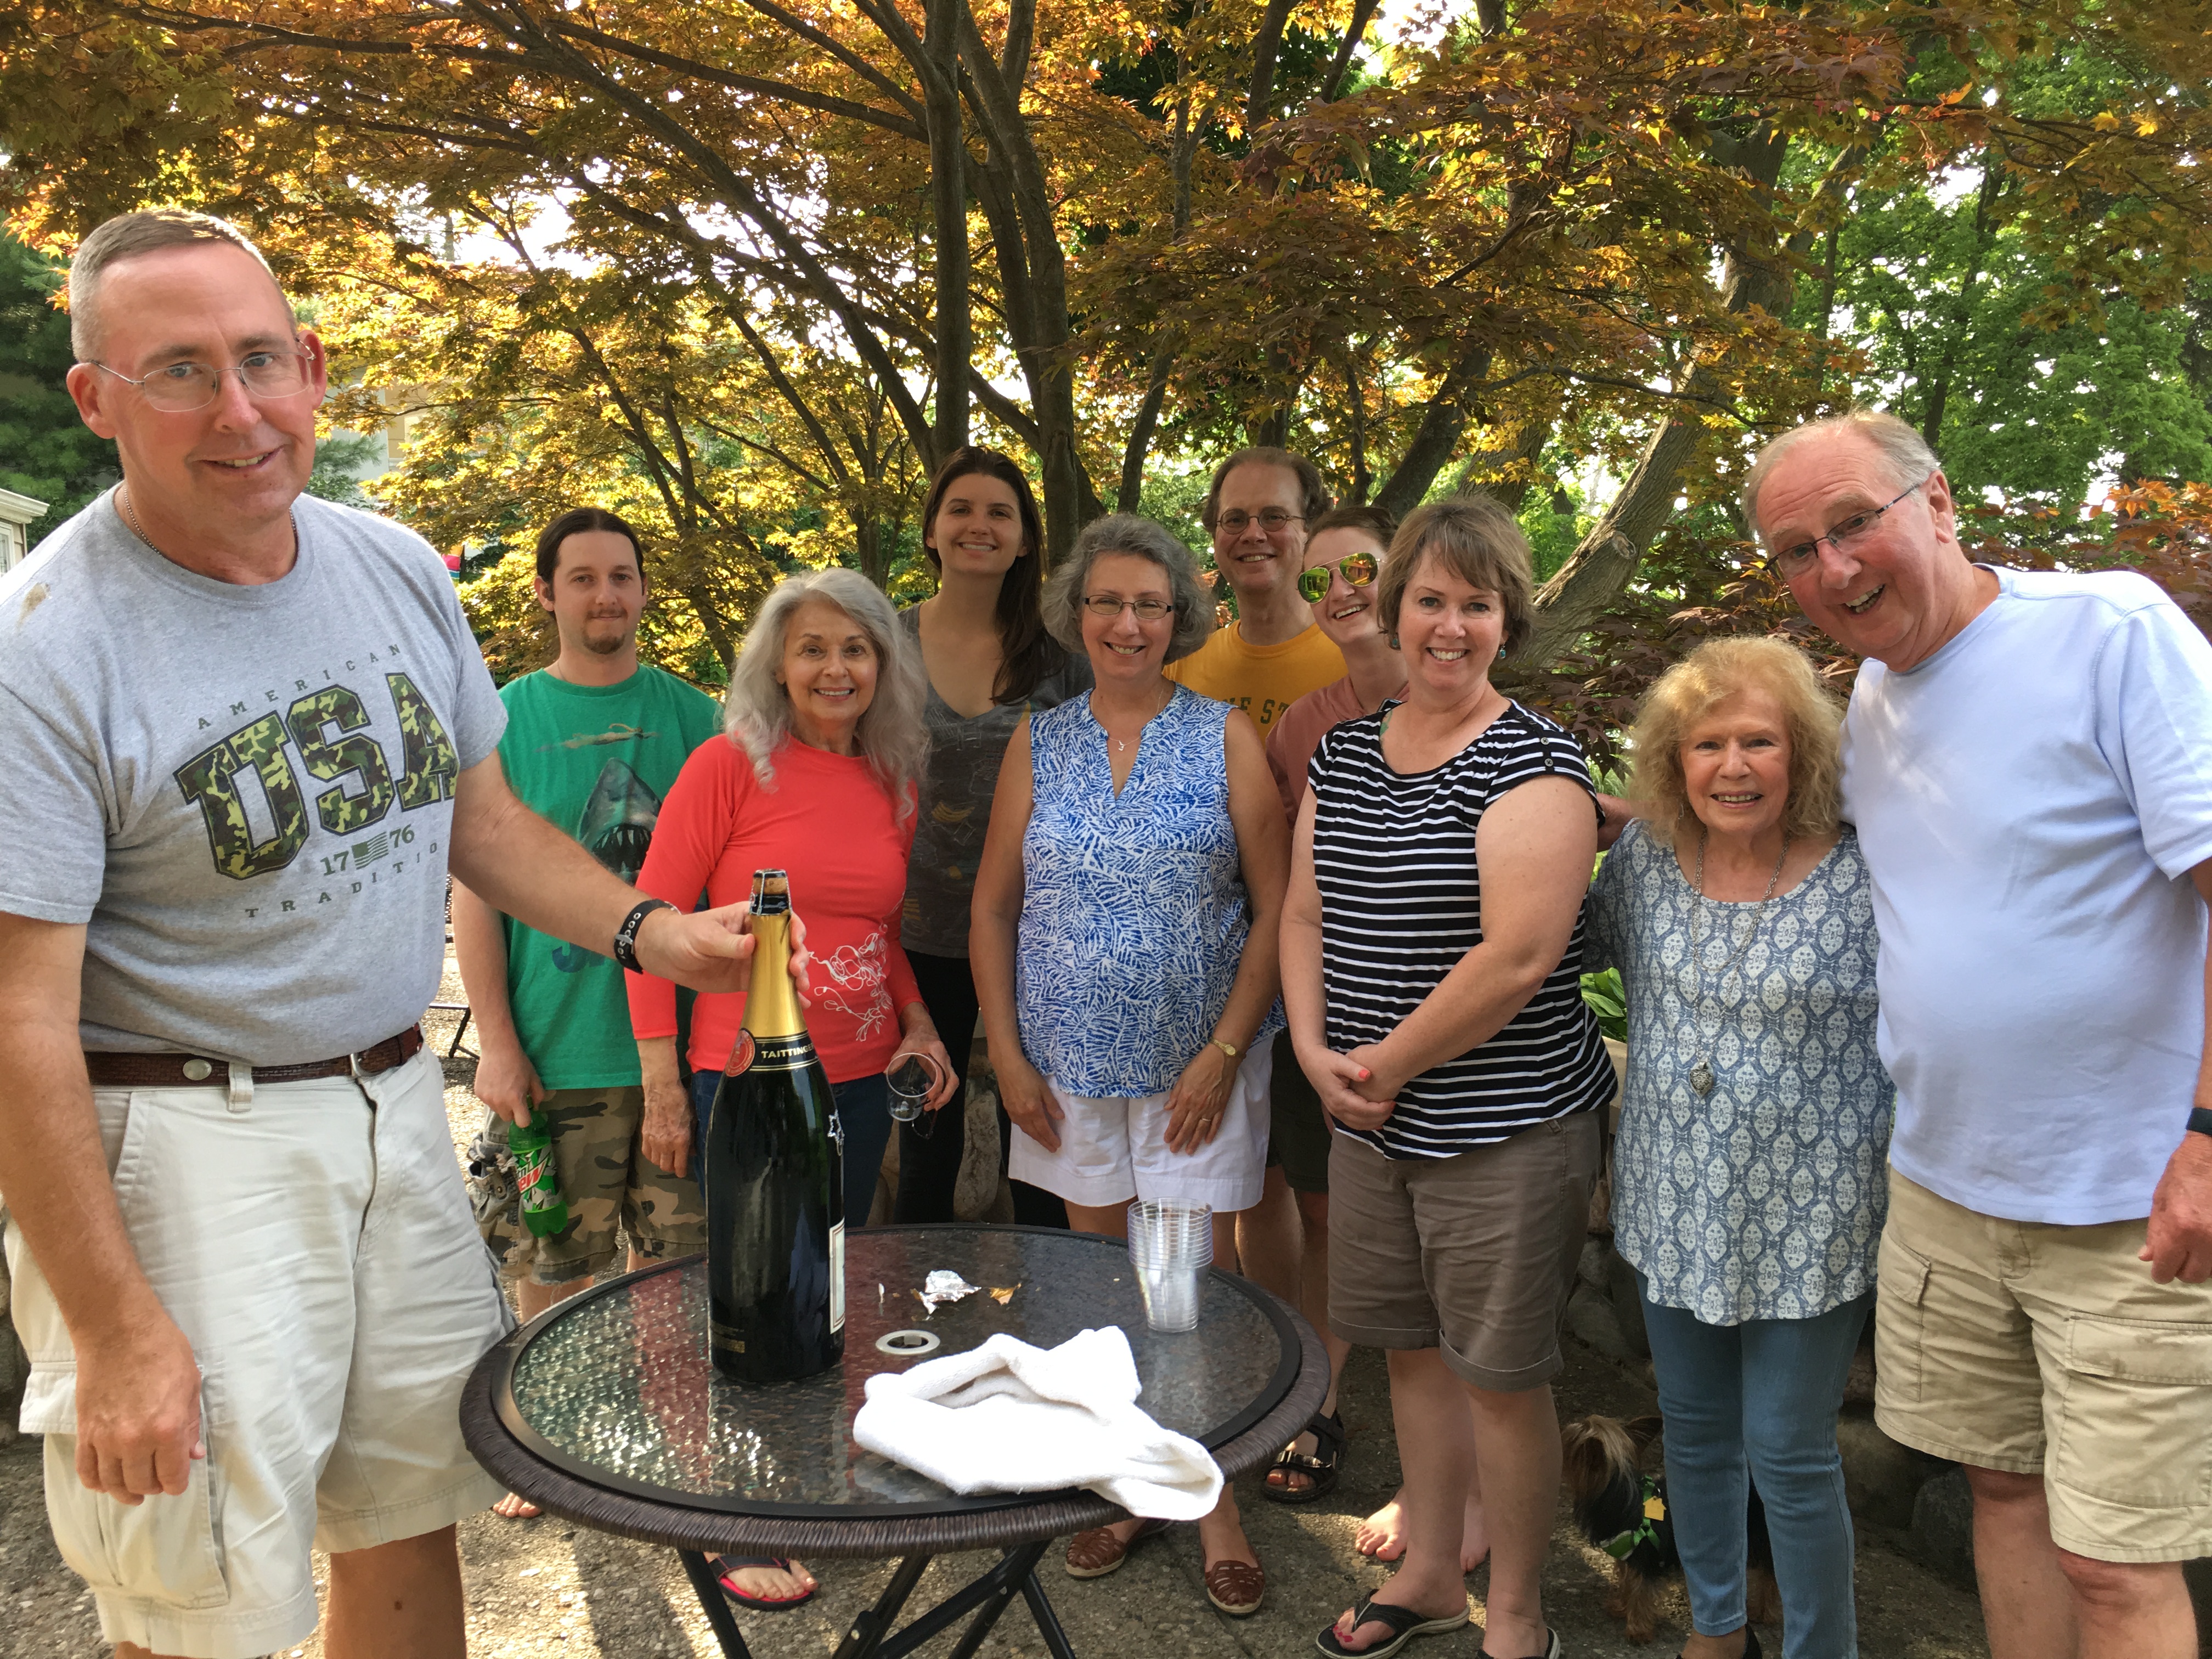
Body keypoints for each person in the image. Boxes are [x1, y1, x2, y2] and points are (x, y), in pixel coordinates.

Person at [0, 208, 790, 1659]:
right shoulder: (43, 649)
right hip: (183, 1146)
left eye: (259, 359)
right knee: (200, 1597)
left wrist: (652, 933)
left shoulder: (393, 569)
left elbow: (479, 823)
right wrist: (111, 1330)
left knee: (407, 1515)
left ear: (311, 366)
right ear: (95, 398)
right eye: (178, 372)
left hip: (393, 1109)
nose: (238, 411)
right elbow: (16, 1021)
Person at [1745, 408, 2212, 1659]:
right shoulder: (1874, 702)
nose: (1834, 566)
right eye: (1797, 550)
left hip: (2129, 1201)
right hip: (1948, 1191)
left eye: (1855, 522)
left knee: (2116, 1564)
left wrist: (2209, 1139)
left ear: (1939, 502)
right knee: (2002, 1496)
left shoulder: (2108, 632)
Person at [1282, 496, 1615, 1659]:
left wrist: (1377, 1065)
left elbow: (1517, 959)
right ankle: (1428, 1573)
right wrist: (1314, 1049)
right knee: (1411, 1356)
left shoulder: (1538, 764)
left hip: (1502, 1129)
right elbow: (1305, 910)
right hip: (1369, 1121)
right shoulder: (1342, 752)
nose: (1450, 625)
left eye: (1477, 604)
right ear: (1396, 608)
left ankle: (1517, 1614)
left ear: (1506, 619)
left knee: (1500, 1380)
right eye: (1430, 599)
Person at [969, 512, 1289, 1617]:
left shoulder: (1223, 734)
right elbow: (993, 906)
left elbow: (1275, 905)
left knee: (1180, 1293)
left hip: (1192, 1074)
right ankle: (1126, 1485)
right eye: (1108, 601)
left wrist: (1226, 1051)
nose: (1128, 623)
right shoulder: (1040, 739)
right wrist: (1005, 1052)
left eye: (1151, 604)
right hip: (1065, 1072)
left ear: (1179, 619)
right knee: (1104, 1296)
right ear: (1078, 613)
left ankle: (1213, 1505)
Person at [626, 566, 957, 1611]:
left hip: (855, 1085)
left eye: (856, 647)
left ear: (883, 665)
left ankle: (806, 1479)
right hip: (749, 1084)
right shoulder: (728, 765)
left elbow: (878, 931)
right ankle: (734, 1509)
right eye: (812, 646)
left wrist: (917, 1019)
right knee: (748, 1298)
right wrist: (663, 1085)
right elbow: (650, 926)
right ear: (777, 662)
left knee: (825, 1291)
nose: (834, 667)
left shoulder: (891, 778)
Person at [1584, 635, 1892, 1659]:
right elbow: (1562, 945)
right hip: (1673, 1199)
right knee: (1696, 1431)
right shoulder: (1644, 863)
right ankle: (1716, 1631)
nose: (1732, 766)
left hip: (1816, 1214)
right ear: (1673, 760)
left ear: (1801, 750)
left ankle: (1821, 1648)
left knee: (1790, 1452)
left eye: (1759, 740)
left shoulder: (1866, 874)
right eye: (1706, 744)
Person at [452, 506, 725, 1520]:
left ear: (643, 589)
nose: (605, 595)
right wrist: (497, 1041)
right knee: (550, 1261)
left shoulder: (697, 717)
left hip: (680, 1056)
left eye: (621, 576)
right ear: (546, 592)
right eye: (582, 577)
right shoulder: (502, 722)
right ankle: (547, 1440)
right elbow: (476, 892)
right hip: (554, 1046)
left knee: (675, 1271)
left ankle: (679, 1450)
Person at [894, 446, 1091, 1227]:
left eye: (1000, 513)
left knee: (1039, 1143)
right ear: (932, 530)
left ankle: (1049, 1301)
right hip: (914, 934)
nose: (979, 526)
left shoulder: (1065, 659)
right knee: (925, 1149)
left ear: (1025, 538)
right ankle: (918, 1304)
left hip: (1035, 933)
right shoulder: (884, 645)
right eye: (961, 509)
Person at [1258, 503, 1404, 1506]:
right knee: (1325, 1211)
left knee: (1429, 1234)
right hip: (1324, 1009)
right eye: (1319, 579)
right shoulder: (1305, 726)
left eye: (1360, 568)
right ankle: (1319, 1398)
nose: (1341, 590)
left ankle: (1446, 1482)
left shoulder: (1474, 701)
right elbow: (1282, 885)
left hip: (1448, 1021)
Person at [1165, 444, 1344, 739]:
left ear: (1311, 531)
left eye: (1274, 517)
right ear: (1215, 536)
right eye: (1235, 520)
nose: (1253, 535)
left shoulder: (1356, 662)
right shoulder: (1180, 668)